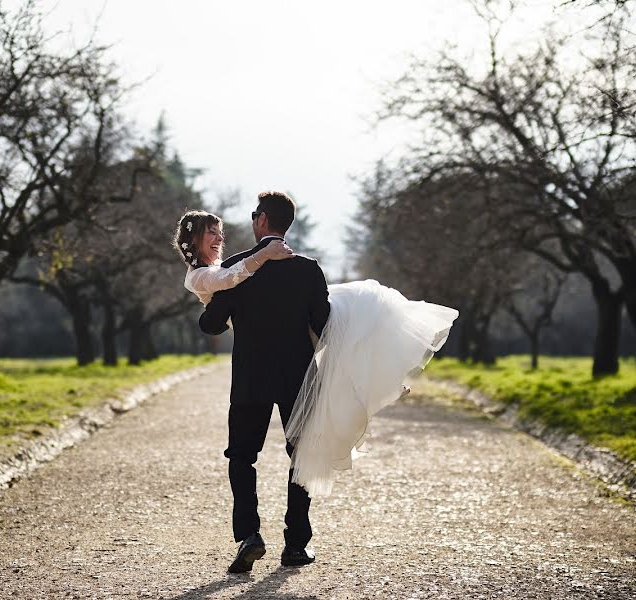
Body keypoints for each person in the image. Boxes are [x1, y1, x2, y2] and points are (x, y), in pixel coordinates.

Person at [176, 191, 458, 573]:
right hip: (299, 377)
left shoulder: (240, 269)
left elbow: (211, 324)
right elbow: (325, 326)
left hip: (250, 377)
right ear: (286, 223)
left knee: (242, 456)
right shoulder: (309, 269)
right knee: (301, 455)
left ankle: (249, 535)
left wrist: (220, 311)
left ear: (260, 221)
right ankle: (295, 545)